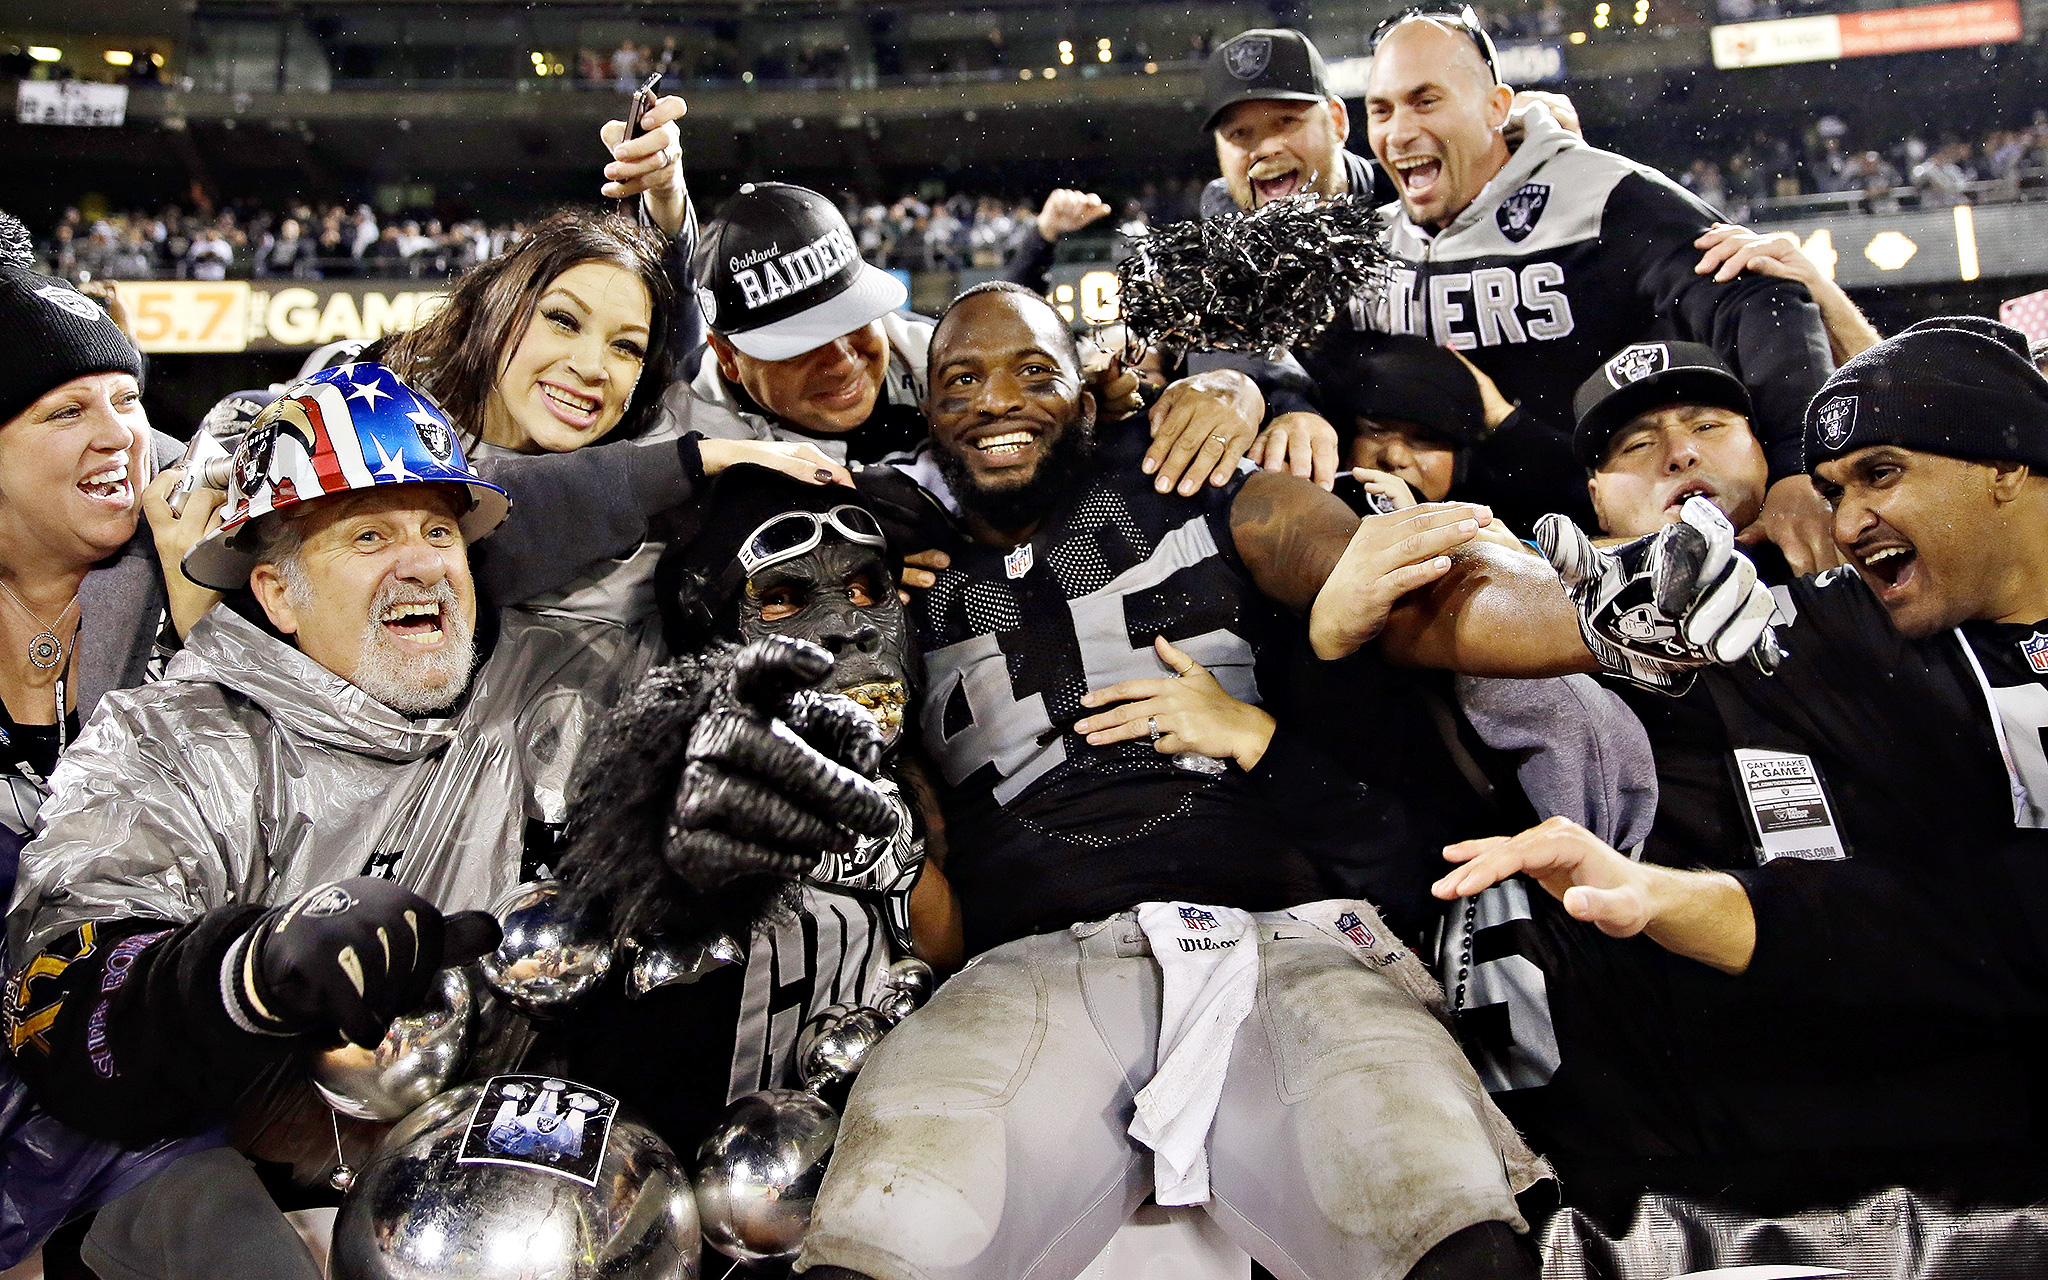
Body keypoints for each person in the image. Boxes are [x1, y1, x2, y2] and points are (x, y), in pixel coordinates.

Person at [789, 281, 1631, 1280]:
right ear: (925, 410)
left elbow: (1386, 587)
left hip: (1285, 942)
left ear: (1091, 392)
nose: (994, 401)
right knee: (876, 1235)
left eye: (1034, 373)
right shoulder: (887, 553)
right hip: (1034, 964)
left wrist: (1602, 625)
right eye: (960, 379)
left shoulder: (1185, 477)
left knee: (1444, 1219)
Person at [1437, 319, 2048, 1233]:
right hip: (1784, 1167)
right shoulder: (1699, 637)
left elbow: (1962, 914)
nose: (1678, 455)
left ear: (1770, 460)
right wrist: (1581, 618)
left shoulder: (1870, 616)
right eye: (1636, 446)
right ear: (1594, 501)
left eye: (1709, 425)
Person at [0, 364, 598, 1279]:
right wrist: (249, 971)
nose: (423, 560)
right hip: (237, 1183)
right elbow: (56, 993)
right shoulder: (170, 740)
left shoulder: (544, 690)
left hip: (487, 1185)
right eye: (368, 535)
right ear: (277, 594)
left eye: (440, 529)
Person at [598, 101, 1272, 496]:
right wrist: (665, 202)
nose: (844, 360)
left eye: (850, 320)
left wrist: (1225, 389)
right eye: (801, 343)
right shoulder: (689, 429)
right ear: (730, 358)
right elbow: (666, 321)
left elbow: (1054, 375)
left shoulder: (920, 349)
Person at [1359, 12, 1836, 552]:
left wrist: (1799, 469)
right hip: (1455, 556)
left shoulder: (1602, 196)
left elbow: (1761, 298)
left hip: (1624, 556)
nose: (1398, 131)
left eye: (1426, 101)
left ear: (1496, 107)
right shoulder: (1372, 229)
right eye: (1381, 109)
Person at [1190, 25, 1582, 490]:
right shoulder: (1228, 218)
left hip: (1488, 460)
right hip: (1341, 469)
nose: (1266, 148)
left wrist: (1503, 138)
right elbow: (1230, 343)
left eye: (1286, 122)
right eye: (1239, 134)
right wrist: (1289, 405)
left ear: (1338, 122)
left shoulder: (1408, 194)